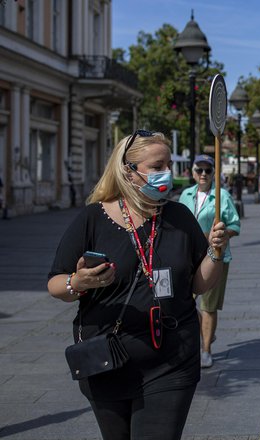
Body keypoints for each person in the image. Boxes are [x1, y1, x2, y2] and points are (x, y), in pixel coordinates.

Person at [47, 130, 229, 440]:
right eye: (157, 166)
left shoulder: (179, 217)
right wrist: (77, 282)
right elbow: (55, 284)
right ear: (128, 171)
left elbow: (198, 284)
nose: (167, 174)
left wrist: (215, 251)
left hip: (172, 359)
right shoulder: (93, 217)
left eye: (168, 165)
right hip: (106, 359)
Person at [179, 154, 241, 369]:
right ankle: (206, 331)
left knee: (208, 305)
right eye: (199, 170)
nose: (203, 174)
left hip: (215, 256)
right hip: (188, 257)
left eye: (208, 170)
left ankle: (205, 349)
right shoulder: (185, 195)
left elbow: (235, 225)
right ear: (192, 172)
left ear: (214, 173)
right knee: (185, 301)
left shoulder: (221, 196)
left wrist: (220, 234)